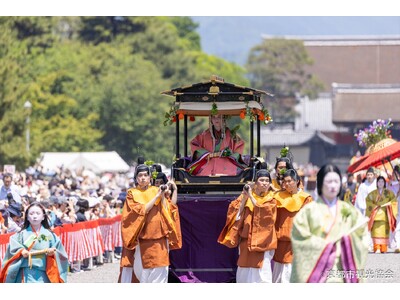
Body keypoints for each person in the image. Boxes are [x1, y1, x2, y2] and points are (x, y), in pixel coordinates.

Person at [290, 164, 369, 283]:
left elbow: (362, 236)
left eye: (336, 181)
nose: (333, 186)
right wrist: (327, 247)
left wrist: (347, 242)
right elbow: (299, 237)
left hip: (343, 268)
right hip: (317, 271)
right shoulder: (308, 211)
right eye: (329, 181)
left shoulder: (350, 210)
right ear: (321, 183)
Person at [119, 164, 181, 283]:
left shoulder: (155, 190)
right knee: (143, 276)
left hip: (160, 239)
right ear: (136, 178)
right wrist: (156, 197)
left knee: (160, 275)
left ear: (149, 178)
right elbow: (141, 210)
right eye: (140, 175)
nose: (143, 178)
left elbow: (169, 209)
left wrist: (166, 194)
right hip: (142, 240)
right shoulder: (132, 193)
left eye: (146, 175)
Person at [218, 169, 277, 283]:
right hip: (246, 242)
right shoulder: (247, 196)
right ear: (255, 182)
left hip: (263, 243)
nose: (264, 183)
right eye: (261, 180)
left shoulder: (272, 199)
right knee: (244, 274)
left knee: (262, 276)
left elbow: (264, 211)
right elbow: (235, 214)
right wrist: (245, 197)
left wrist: (250, 195)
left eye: (267, 180)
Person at [0, 202, 69, 283]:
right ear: (27, 217)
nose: (35, 216)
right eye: (31, 214)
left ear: (43, 217)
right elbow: (13, 245)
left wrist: (53, 252)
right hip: (26, 273)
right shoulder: (20, 234)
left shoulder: (50, 235)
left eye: (38, 213)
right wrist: (21, 251)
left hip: (45, 272)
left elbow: (60, 252)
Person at [272, 168, 312, 283]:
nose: (287, 184)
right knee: (279, 274)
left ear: (297, 181)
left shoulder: (306, 198)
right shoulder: (278, 196)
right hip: (280, 239)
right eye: (285, 181)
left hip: (296, 241)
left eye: (290, 181)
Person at [365, 176, 397, 253]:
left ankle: (383, 248)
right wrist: (374, 206)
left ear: (384, 183)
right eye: (379, 182)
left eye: (382, 182)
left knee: (384, 232)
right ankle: (377, 247)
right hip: (375, 215)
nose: (380, 183)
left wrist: (389, 204)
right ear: (377, 183)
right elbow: (368, 201)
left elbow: (394, 201)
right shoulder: (373, 193)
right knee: (376, 232)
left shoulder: (388, 193)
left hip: (385, 215)